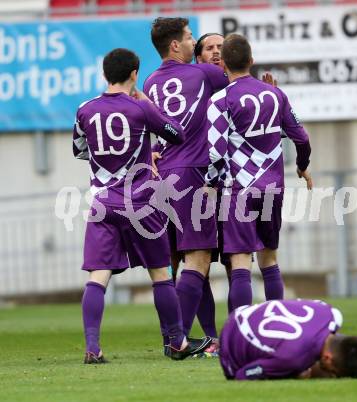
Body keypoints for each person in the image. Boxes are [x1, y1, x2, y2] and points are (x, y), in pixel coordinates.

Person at [73, 48, 211, 363]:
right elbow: (176, 134)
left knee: (98, 276)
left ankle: (93, 348)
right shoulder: (139, 109)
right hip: (140, 201)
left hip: (103, 201)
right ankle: (177, 342)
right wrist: (148, 107)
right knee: (160, 273)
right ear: (135, 74)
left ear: (105, 74)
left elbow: (80, 149)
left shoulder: (85, 110)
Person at [205, 34, 312, 311]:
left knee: (240, 262)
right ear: (252, 61)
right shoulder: (275, 94)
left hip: (239, 189)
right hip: (272, 187)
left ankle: (241, 330)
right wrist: (302, 165)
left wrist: (210, 184)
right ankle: (276, 324)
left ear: (224, 64)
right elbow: (301, 138)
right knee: (270, 259)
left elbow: (216, 152)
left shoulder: (220, 100)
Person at [143, 18, 230, 345]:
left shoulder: (150, 82)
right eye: (192, 38)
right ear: (176, 45)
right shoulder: (203, 74)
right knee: (200, 257)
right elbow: (236, 75)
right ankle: (176, 338)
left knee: (180, 260)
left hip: (163, 175)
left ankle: (191, 336)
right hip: (193, 172)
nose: (196, 43)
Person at [219, 299, 357, 380]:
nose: (334, 379)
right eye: (336, 375)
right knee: (303, 368)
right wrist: (294, 376)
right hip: (231, 347)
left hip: (248, 311)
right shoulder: (292, 359)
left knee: (326, 339)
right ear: (328, 360)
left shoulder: (330, 314)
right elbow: (242, 375)